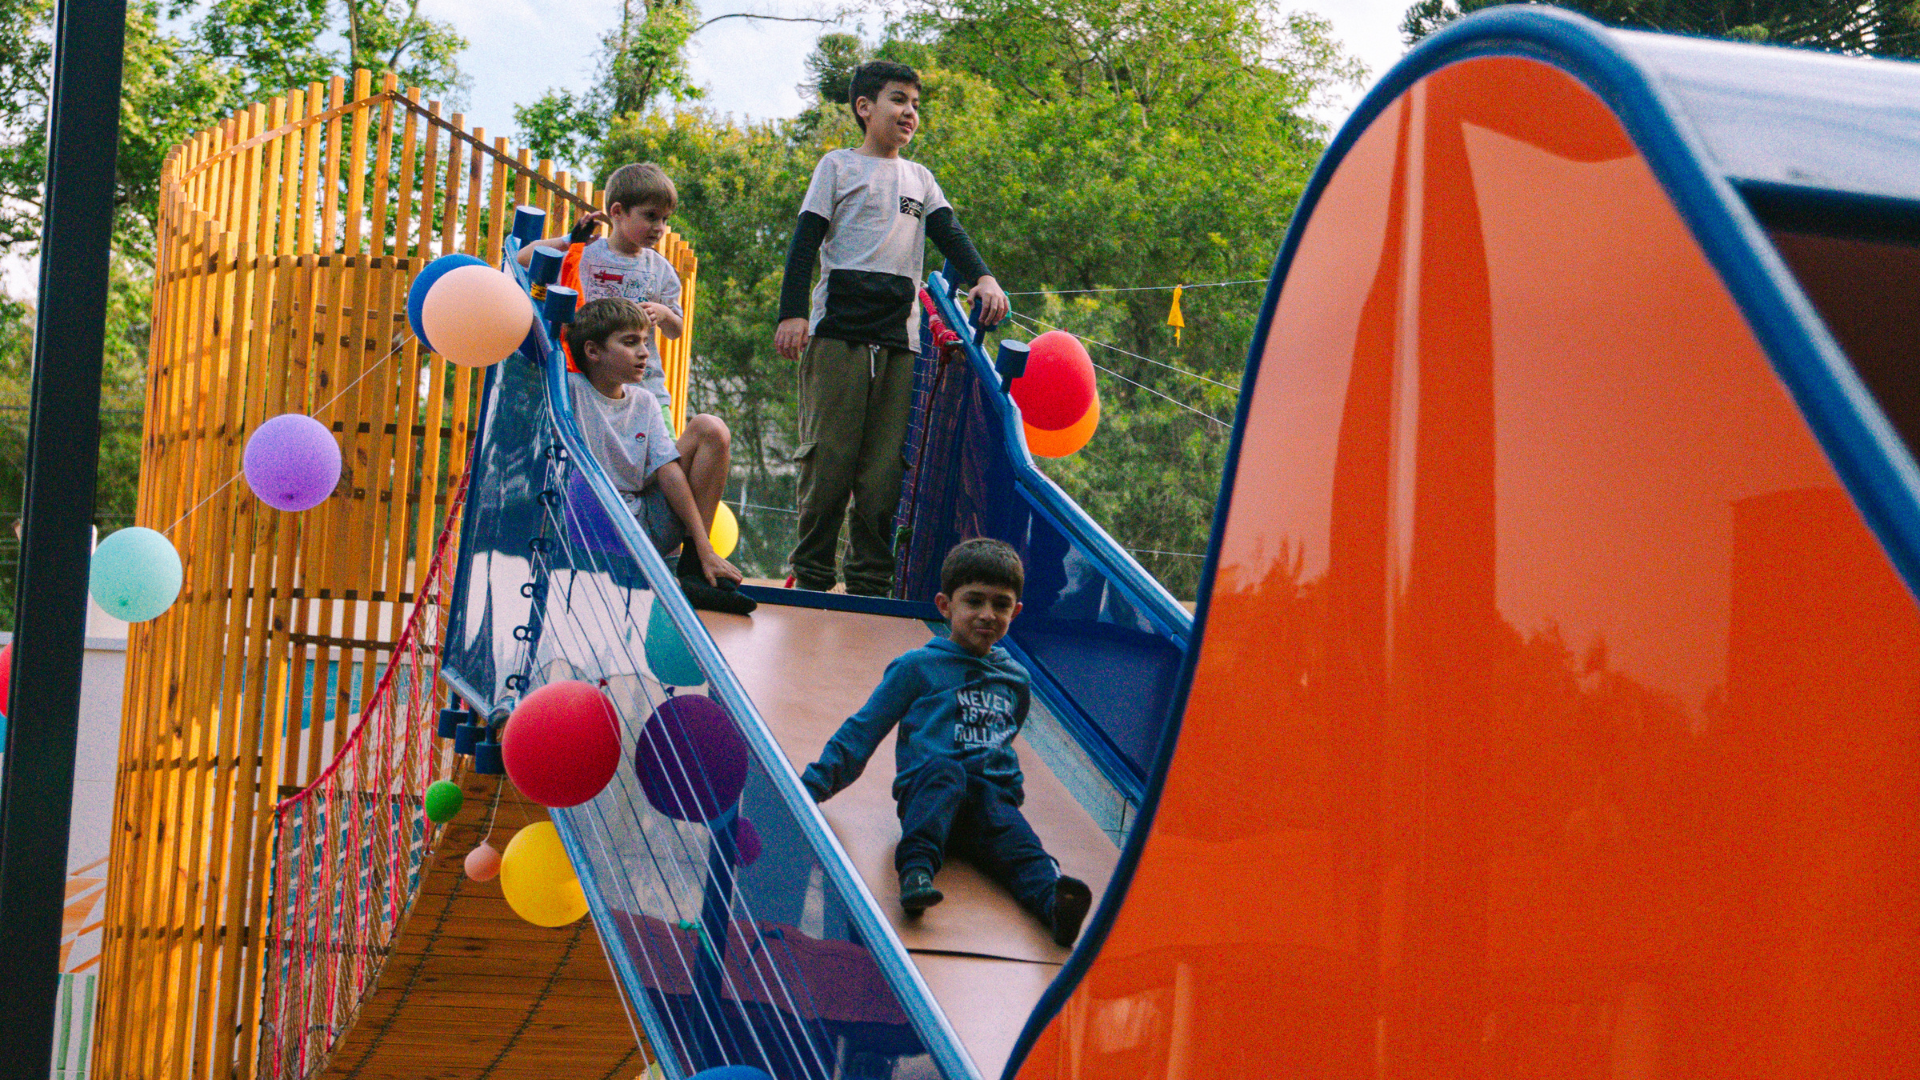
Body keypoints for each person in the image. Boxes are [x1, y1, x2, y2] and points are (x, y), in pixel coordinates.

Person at [774, 60, 1011, 596]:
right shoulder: (838, 166)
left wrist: (984, 278)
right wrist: (791, 313)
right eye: (898, 100)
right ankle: (811, 575)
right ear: (865, 107)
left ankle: (869, 581)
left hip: (899, 339)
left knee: (883, 472)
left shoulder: (919, 179)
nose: (910, 112)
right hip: (837, 333)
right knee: (829, 460)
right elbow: (804, 244)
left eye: (915, 105)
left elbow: (950, 233)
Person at [800, 538, 1091, 947]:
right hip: (930, 795)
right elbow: (863, 730)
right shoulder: (918, 667)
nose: (987, 614)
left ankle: (1054, 906)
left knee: (1022, 847)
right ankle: (916, 872)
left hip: (988, 803)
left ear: (1015, 612)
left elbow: (1005, 735)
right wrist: (810, 787)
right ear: (945, 605)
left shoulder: (1016, 679)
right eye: (974, 601)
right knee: (945, 770)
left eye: (1001, 604)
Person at [567, 298, 755, 616]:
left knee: (710, 428)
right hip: (596, 528)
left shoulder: (645, 401)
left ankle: (696, 570)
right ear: (593, 351)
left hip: (645, 527)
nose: (644, 352)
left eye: (645, 341)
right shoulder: (569, 391)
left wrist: (705, 547)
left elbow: (669, 472)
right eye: (630, 342)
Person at [520, 162, 685, 429]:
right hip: (588, 390)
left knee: (664, 451)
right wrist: (568, 240)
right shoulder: (586, 254)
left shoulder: (661, 269)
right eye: (651, 216)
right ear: (617, 212)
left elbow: (676, 331)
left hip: (646, 389)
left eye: (665, 219)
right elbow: (523, 257)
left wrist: (664, 314)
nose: (660, 227)